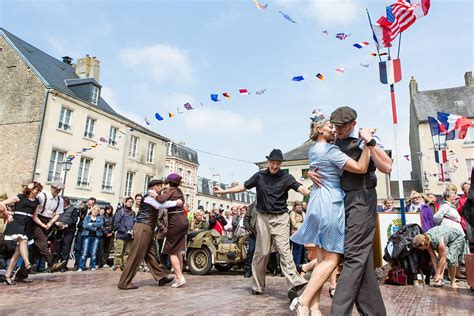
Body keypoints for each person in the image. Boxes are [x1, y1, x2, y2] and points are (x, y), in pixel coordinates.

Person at [309, 107, 392, 316]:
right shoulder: (333, 141)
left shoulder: (367, 138)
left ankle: (338, 312)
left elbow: (387, 167)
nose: (337, 130)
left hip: (361, 199)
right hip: (340, 201)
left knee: (354, 256)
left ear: (353, 124)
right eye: (335, 125)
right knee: (360, 260)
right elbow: (325, 162)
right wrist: (311, 171)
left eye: (342, 127)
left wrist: (370, 143)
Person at [290, 110, 372, 315]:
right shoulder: (330, 150)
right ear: (319, 129)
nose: (334, 130)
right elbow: (361, 168)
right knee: (333, 259)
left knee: (320, 257)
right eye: (330, 127)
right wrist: (368, 143)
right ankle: (303, 300)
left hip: (316, 200)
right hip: (330, 203)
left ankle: (314, 308)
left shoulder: (313, 150)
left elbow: (318, 168)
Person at [213, 148, 310, 300]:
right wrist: (224, 192)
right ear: (268, 162)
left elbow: (300, 187)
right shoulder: (259, 176)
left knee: (285, 251)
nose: (275, 166)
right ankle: (257, 286)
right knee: (262, 253)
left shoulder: (286, 178)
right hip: (263, 218)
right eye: (273, 163)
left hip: (281, 218)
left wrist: (309, 192)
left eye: (278, 163)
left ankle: (295, 283)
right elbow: (243, 186)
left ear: (280, 164)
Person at [118, 179, 180, 290]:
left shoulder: (152, 197)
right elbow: (160, 206)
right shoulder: (148, 197)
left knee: (152, 255)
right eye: (160, 186)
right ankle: (124, 282)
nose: (162, 188)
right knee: (136, 255)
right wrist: (177, 203)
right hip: (143, 227)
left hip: (148, 228)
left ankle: (161, 277)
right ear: (155, 187)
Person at [1, 182, 47, 284]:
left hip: (27, 223)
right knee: (23, 240)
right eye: (36, 190)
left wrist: (43, 225)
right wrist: (8, 214)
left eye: (39, 191)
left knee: (17, 253)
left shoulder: (36, 202)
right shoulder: (20, 197)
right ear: (31, 189)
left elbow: (35, 217)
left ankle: (7, 276)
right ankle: (27, 264)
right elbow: (2, 203)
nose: (37, 192)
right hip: (17, 222)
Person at [152, 173, 189, 288]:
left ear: (169, 182)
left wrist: (154, 195)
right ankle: (179, 277)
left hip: (175, 221)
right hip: (183, 220)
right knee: (178, 249)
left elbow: (161, 200)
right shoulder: (179, 191)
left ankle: (179, 276)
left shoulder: (170, 189)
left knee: (171, 250)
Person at [30, 181, 67, 272]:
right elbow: (34, 209)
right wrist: (41, 223)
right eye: (56, 189)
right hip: (37, 220)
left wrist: (50, 223)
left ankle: (23, 272)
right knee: (43, 242)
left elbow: (58, 214)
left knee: (36, 248)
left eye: (59, 190)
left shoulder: (60, 200)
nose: (57, 192)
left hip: (48, 221)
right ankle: (51, 263)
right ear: (51, 188)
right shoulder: (42, 196)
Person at [53, 197, 78, 272]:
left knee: (65, 249)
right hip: (59, 231)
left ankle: (63, 266)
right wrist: (56, 222)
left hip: (69, 231)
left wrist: (66, 225)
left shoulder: (73, 209)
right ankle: (54, 265)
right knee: (57, 249)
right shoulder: (58, 209)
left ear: (66, 202)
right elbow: (54, 217)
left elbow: (74, 220)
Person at [78, 205, 104, 271]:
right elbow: (85, 226)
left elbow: (101, 224)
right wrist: (95, 227)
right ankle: (81, 267)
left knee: (94, 253)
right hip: (87, 236)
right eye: (94, 210)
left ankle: (92, 266)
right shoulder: (87, 217)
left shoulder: (100, 218)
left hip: (96, 237)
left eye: (97, 211)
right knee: (84, 252)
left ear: (98, 212)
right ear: (92, 210)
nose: (95, 211)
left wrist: (91, 224)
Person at [112, 197, 135, 271]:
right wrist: (125, 230)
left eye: (131, 202)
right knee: (119, 252)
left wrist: (132, 230)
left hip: (130, 236)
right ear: (125, 202)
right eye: (128, 201)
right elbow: (116, 223)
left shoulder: (133, 213)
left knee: (127, 253)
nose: (130, 203)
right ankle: (117, 266)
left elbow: (134, 223)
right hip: (121, 235)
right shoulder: (120, 211)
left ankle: (125, 266)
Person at [74, 197, 96, 270]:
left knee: (85, 249)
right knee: (78, 248)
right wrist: (80, 208)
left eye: (92, 204)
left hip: (88, 232)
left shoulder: (95, 212)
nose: (90, 205)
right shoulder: (83, 208)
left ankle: (82, 265)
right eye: (89, 203)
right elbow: (78, 214)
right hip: (81, 230)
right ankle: (77, 264)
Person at [243, 202, 257, 278]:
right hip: (253, 233)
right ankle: (248, 270)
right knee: (251, 251)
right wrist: (249, 228)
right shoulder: (252, 206)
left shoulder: (267, 204)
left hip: (264, 233)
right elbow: (246, 219)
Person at [289, 201, 305, 267]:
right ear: (295, 206)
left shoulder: (302, 213)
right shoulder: (293, 213)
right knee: (296, 250)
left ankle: (299, 265)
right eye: (298, 205)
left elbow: (306, 221)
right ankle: (296, 265)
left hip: (302, 234)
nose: (300, 206)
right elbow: (294, 224)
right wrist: (302, 227)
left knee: (301, 250)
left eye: (300, 205)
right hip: (295, 233)